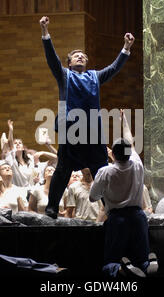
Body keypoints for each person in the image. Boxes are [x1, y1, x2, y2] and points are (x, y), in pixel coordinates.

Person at [39, 16, 135, 219]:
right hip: (71, 131)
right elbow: (51, 59)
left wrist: (126, 47)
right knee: (62, 170)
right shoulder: (64, 75)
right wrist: (45, 33)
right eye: (76, 56)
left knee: (100, 171)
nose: (80, 57)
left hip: (92, 133)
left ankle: (110, 208)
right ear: (69, 63)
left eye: (83, 56)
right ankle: (52, 208)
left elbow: (114, 68)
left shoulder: (95, 76)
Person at [89, 110, 157, 278]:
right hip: (138, 216)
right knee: (141, 257)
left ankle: (120, 269)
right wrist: (123, 120)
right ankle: (147, 266)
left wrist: (104, 190)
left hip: (117, 219)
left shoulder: (106, 172)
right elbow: (130, 142)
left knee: (111, 261)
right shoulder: (137, 164)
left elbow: (93, 197)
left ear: (112, 154)